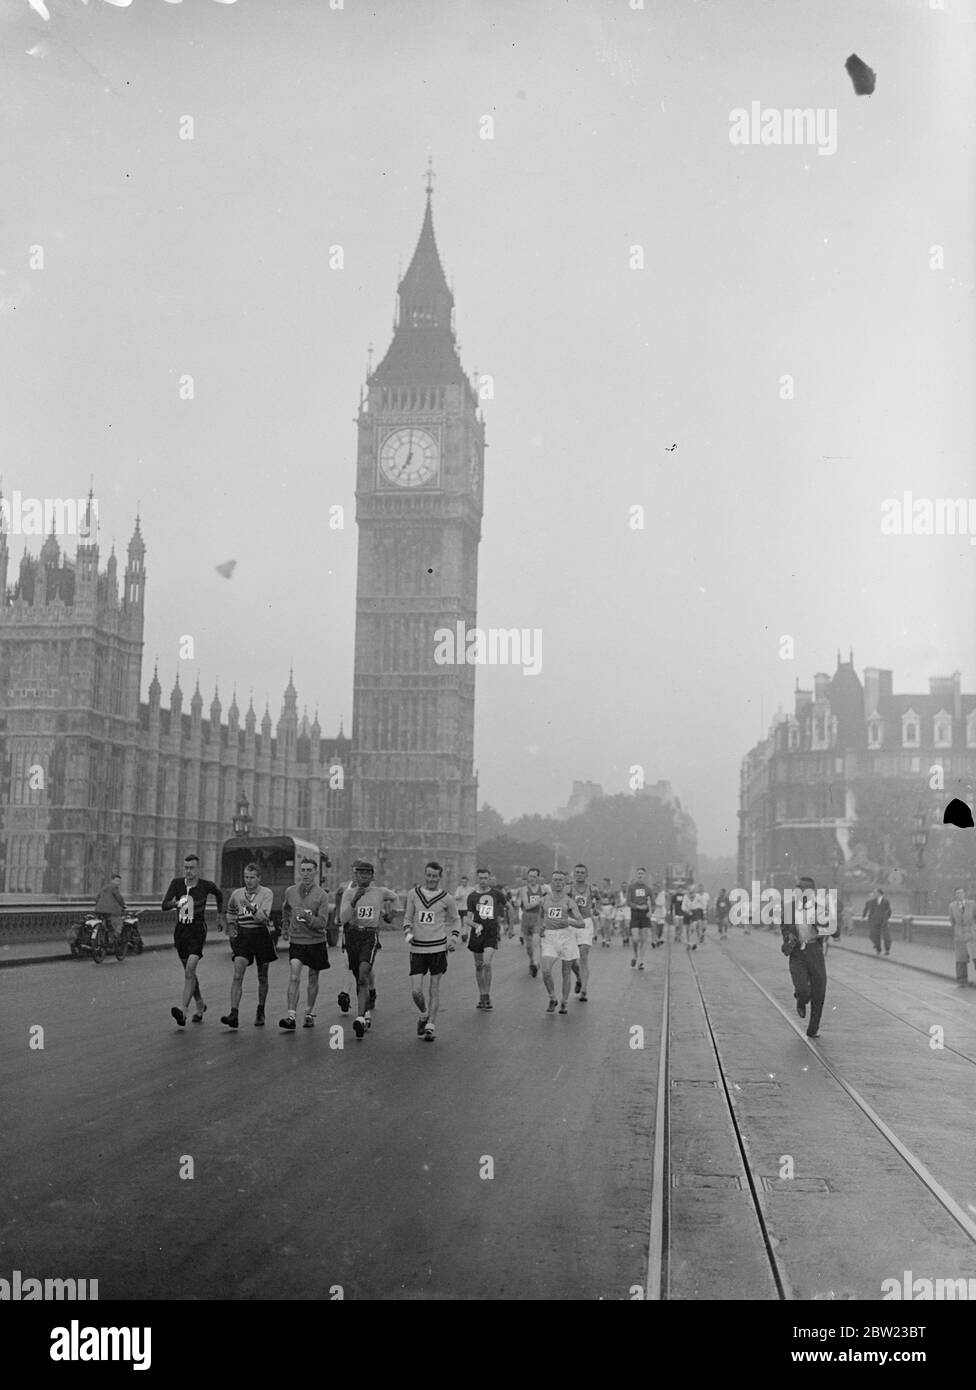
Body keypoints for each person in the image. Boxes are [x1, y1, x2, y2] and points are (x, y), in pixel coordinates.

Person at [162, 853, 225, 1026]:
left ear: (198, 869)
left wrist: (220, 916)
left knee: (190, 971)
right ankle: (200, 1004)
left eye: (192, 868)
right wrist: (176, 903)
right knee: (189, 973)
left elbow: (219, 895)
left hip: (197, 931)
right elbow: (164, 904)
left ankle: (182, 1011)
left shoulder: (206, 886)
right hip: (181, 931)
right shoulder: (176, 883)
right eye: (186, 868)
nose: (188, 871)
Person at [403, 860, 462, 1041]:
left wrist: (454, 938)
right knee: (416, 991)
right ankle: (423, 1014)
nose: (431, 879)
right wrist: (407, 931)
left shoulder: (447, 898)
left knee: (434, 989)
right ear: (425, 875)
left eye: (434, 876)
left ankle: (430, 1025)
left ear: (439, 877)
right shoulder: (413, 894)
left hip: (437, 947)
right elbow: (407, 917)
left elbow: (456, 919)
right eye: (428, 875)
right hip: (418, 948)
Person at [339, 861, 397, 1039]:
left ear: (372, 876)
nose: (364, 876)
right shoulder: (348, 893)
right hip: (352, 936)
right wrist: (355, 899)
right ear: (355, 875)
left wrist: (391, 913)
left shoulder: (380, 892)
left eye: (367, 873)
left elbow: (395, 897)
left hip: (369, 936)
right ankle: (366, 1014)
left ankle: (360, 1018)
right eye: (360, 873)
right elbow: (343, 918)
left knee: (364, 973)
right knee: (358, 977)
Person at [221, 862, 276, 1028]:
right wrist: (231, 928)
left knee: (262, 976)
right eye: (246, 877)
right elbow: (230, 911)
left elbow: (263, 918)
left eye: (252, 878)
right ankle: (234, 1014)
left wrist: (250, 907)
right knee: (238, 974)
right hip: (244, 935)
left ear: (259, 878)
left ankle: (260, 1010)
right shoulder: (237, 894)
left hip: (261, 935)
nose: (249, 881)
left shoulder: (267, 893)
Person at [279, 857, 331, 1029]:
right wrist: (285, 928)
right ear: (299, 872)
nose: (306, 874)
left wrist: (307, 917)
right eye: (303, 870)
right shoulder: (291, 891)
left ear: (315, 872)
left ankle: (309, 1012)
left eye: (309, 870)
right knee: (294, 976)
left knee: (313, 978)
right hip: (297, 941)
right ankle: (291, 1017)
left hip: (316, 941)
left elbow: (323, 923)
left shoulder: (322, 895)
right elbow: (286, 909)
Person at [781, 876, 836, 1039]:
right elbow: (784, 927)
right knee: (803, 990)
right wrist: (788, 937)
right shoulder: (789, 909)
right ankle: (801, 1000)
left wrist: (821, 923)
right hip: (797, 952)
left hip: (814, 951)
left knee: (819, 990)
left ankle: (813, 1028)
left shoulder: (819, 909)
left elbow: (836, 930)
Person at [539, 869, 585, 1013]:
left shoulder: (569, 902)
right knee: (545, 970)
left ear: (565, 884)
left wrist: (568, 921)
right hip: (549, 937)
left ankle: (564, 1001)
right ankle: (552, 998)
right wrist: (541, 927)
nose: (558, 883)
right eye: (555, 880)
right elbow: (541, 916)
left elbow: (581, 923)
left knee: (566, 971)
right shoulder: (544, 899)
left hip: (566, 936)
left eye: (560, 880)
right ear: (551, 883)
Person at [466, 868, 508, 1009]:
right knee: (478, 966)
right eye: (481, 878)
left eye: (486, 878)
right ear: (477, 879)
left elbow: (509, 907)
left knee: (486, 963)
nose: (483, 880)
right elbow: (468, 919)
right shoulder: (472, 897)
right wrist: (475, 925)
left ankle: (487, 995)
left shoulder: (496, 893)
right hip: (477, 934)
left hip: (491, 932)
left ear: (489, 879)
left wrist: (510, 926)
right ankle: (481, 995)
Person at [569, 863, 597, 1000]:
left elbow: (596, 904)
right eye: (577, 872)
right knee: (572, 961)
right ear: (574, 874)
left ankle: (584, 991)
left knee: (583, 954)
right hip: (572, 923)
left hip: (586, 923)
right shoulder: (569, 889)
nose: (579, 874)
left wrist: (595, 910)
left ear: (587, 875)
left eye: (582, 872)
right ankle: (579, 977)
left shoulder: (591, 889)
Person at [516, 868, 546, 976]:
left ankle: (535, 962)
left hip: (538, 918)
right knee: (528, 946)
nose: (532, 878)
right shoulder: (523, 889)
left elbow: (550, 902)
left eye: (534, 876)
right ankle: (531, 961)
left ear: (538, 877)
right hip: (527, 918)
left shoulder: (544, 889)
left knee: (536, 942)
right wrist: (540, 900)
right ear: (528, 877)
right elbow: (527, 905)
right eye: (531, 876)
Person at [949, 887, 976, 986]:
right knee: (960, 960)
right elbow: (952, 920)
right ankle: (962, 981)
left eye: (961, 893)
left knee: (975, 957)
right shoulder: (952, 906)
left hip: (972, 934)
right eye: (957, 893)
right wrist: (957, 931)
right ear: (955, 895)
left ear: (965, 894)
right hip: (959, 935)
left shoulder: (973, 904)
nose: (959, 895)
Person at [627, 869, 653, 968]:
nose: (640, 875)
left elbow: (653, 903)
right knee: (635, 938)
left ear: (645, 876)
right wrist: (637, 906)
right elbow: (628, 902)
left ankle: (641, 961)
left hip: (645, 915)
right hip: (635, 914)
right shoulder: (631, 887)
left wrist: (651, 912)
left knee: (643, 938)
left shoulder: (648, 889)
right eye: (638, 874)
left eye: (642, 874)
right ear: (636, 875)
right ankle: (635, 955)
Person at [94, 872, 126, 947]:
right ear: (112, 880)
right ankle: (113, 938)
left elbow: (97, 898)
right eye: (117, 881)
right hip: (110, 911)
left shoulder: (104, 887)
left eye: (119, 882)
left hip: (99, 910)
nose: (118, 883)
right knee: (117, 923)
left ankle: (103, 935)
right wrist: (123, 905)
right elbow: (119, 898)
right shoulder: (114, 888)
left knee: (104, 923)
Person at [864, 886, 892, 956]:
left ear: (879, 893)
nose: (874, 894)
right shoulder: (873, 902)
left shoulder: (886, 901)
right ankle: (878, 949)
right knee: (875, 935)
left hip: (884, 921)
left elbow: (889, 911)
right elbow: (871, 911)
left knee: (886, 936)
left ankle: (887, 950)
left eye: (875, 892)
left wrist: (886, 918)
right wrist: (871, 918)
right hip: (875, 921)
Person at [598, 878, 615, 947]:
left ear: (607, 883)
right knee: (602, 925)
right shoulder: (600, 891)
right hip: (602, 908)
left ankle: (608, 940)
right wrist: (598, 906)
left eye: (604, 882)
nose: (603, 884)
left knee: (608, 926)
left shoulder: (611, 891)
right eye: (602, 882)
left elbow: (614, 901)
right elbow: (598, 899)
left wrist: (612, 907)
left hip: (609, 908)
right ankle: (603, 939)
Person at [454, 875, 471, 944]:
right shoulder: (459, 888)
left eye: (465, 882)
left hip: (466, 908)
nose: (464, 883)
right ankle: (464, 933)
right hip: (459, 908)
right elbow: (455, 897)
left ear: (467, 882)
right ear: (461, 882)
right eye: (463, 882)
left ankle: (464, 935)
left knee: (465, 922)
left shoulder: (470, 889)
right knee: (460, 924)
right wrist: (459, 896)